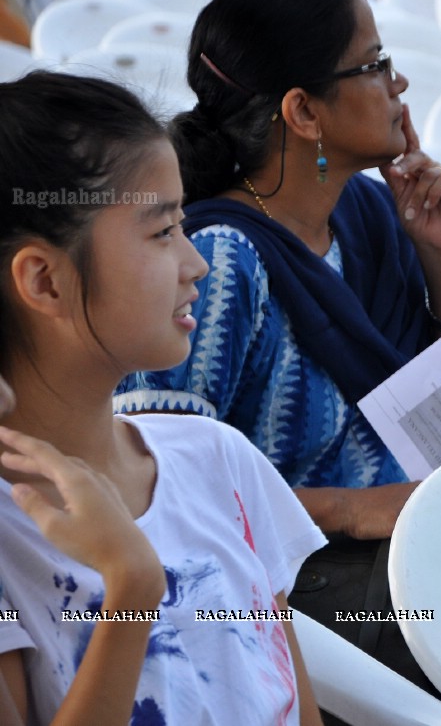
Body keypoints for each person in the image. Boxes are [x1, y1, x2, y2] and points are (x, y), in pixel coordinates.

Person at [114, 0, 441, 696]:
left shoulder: (368, 217)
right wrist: (350, 507)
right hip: (298, 586)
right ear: (304, 112)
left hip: (417, 543)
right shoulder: (219, 260)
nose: (397, 84)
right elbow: (159, 492)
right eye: (374, 65)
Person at [0, 71, 326, 725]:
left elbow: (297, 706)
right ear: (45, 280)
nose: (195, 262)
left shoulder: (218, 458)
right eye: (160, 232)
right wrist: (131, 585)